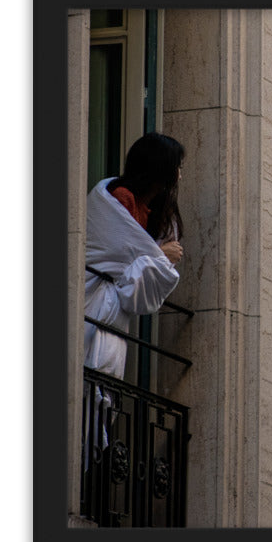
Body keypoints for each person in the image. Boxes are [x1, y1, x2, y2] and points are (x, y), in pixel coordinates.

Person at [83, 132, 186, 379]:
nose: (180, 174)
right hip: (95, 296)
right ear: (161, 168)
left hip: (114, 308)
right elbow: (118, 252)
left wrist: (155, 257)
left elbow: (134, 257)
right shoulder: (122, 198)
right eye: (177, 167)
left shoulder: (152, 209)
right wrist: (160, 255)